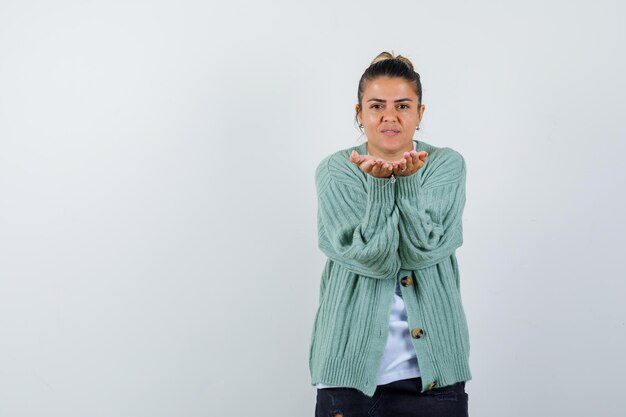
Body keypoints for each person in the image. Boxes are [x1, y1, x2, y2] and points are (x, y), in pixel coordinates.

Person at [309, 52, 471, 417]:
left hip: (435, 380)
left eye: (402, 105)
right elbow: (372, 258)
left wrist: (407, 183)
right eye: (376, 105)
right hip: (349, 380)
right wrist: (382, 188)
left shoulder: (445, 165)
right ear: (360, 112)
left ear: (420, 112)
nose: (389, 116)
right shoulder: (337, 171)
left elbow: (422, 250)